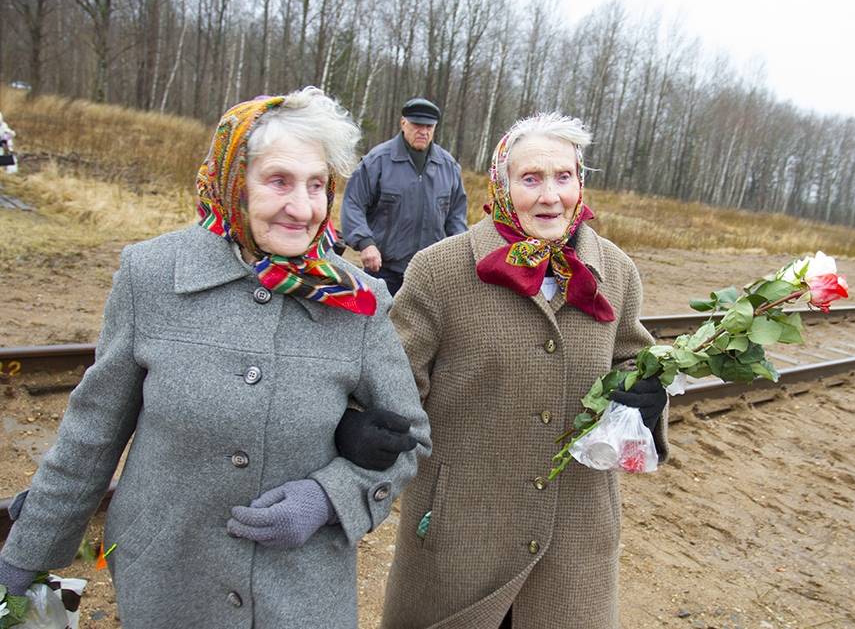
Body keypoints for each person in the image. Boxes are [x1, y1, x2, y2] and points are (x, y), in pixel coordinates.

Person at [0, 87, 429, 628]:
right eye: (278, 181)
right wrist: (24, 559)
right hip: (168, 583)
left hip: (300, 593)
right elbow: (91, 436)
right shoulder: (151, 276)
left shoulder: (357, 300)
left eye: (317, 185)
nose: (303, 207)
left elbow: (409, 439)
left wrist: (329, 497)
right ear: (234, 183)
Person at [372, 113, 668, 628]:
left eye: (564, 177)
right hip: (459, 538)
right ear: (503, 186)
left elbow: (631, 361)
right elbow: (393, 391)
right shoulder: (440, 271)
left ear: (581, 183)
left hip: (573, 540)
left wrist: (649, 397)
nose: (550, 196)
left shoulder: (616, 273)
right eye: (531, 179)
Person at [339, 97, 468, 295]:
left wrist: (457, 254)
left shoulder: (448, 167)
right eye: (417, 125)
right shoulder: (378, 161)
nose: (423, 132)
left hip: (429, 274)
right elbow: (353, 204)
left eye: (429, 127)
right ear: (403, 123)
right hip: (383, 270)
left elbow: (456, 218)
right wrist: (365, 244)